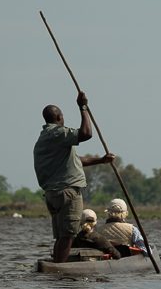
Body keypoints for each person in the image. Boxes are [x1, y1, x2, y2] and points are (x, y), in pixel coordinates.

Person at [33, 91, 115, 263]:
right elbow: (86, 133)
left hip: (53, 194)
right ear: (58, 117)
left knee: (62, 236)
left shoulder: (45, 138)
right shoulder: (57, 133)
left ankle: (57, 265)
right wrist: (83, 107)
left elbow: (76, 160)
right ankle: (58, 270)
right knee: (68, 235)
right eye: (62, 116)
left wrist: (100, 160)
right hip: (67, 193)